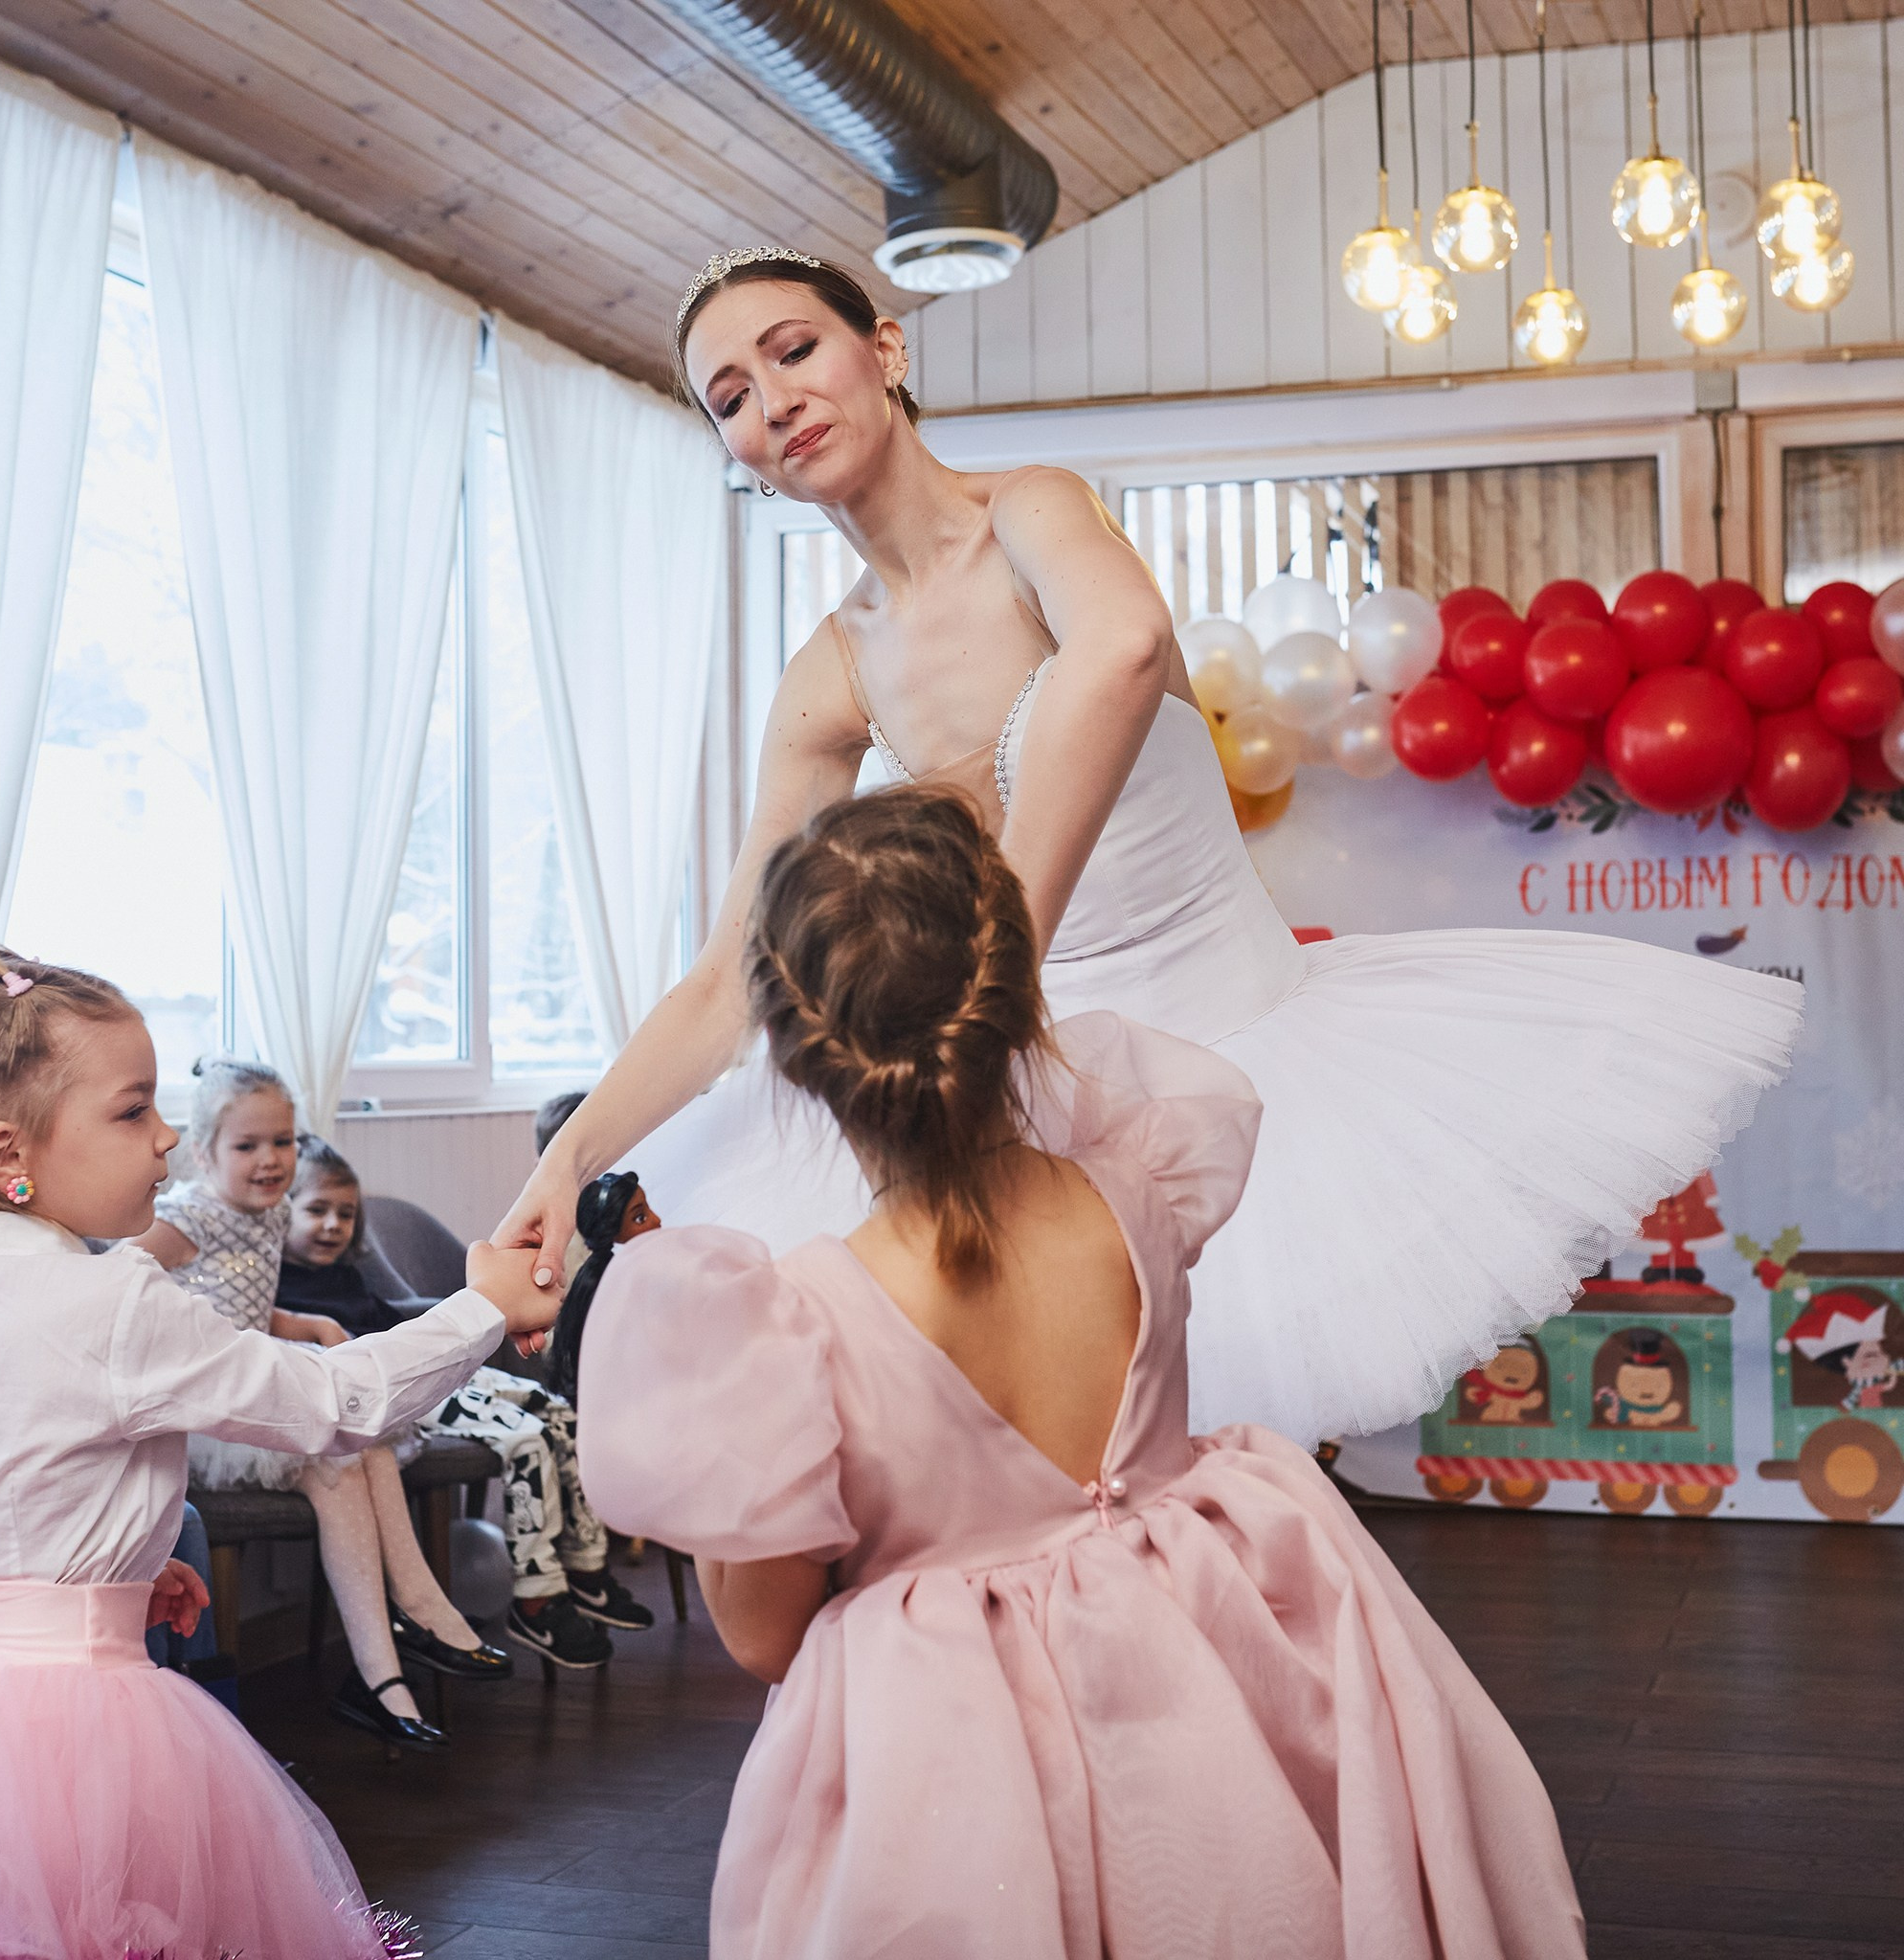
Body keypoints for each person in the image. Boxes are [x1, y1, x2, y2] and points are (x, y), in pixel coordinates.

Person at [501, 245, 1803, 1449]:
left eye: (793, 351)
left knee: (1193, 1461)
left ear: (884, 350)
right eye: (729, 394)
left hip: (1244, 1070)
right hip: (1021, 1118)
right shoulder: (829, 672)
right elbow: (733, 971)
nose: (771, 399)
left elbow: (1120, 652)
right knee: (1038, 1476)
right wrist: (563, 1160)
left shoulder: (1037, 517)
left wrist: (995, 957)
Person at [576, 786, 1586, 1957]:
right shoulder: (1138, 1173)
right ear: (1014, 994)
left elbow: (762, 1637)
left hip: (956, 1762)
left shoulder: (785, 1324)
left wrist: (715, 1441)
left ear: (795, 1054)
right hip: (1208, 1666)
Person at [0, 950, 554, 1960]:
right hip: (81, 1739)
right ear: (5, 1153)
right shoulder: (112, 1303)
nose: (167, 1139)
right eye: (132, 1111)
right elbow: (337, 1403)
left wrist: (100, 1577)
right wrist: (484, 1309)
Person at [134, 1058, 507, 1751]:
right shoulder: (189, 1217)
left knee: (359, 1442)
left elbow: (235, 1295)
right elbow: (123, 1292)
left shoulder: (269, 1212)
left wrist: (297, 1322)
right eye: (247, 1146)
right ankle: (387, 1663)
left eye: (282, 1141)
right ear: (204, 1150)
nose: (270, 1160)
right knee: (337, 1451)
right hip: (206, 1416)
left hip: (257, 1389)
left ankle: (406, 1636)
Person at [278, 1138, 651, 1668]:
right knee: (526, 1439)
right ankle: (537, 1600)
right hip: (401, 1395)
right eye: (317, 1211)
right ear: (281, 1210)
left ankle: (588, 1571)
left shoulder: (346, 1273)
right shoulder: (279, 1290)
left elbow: (401, 1319)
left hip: (436, 1373)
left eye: (345, 1214)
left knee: (561, 1414)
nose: (333, 1226)